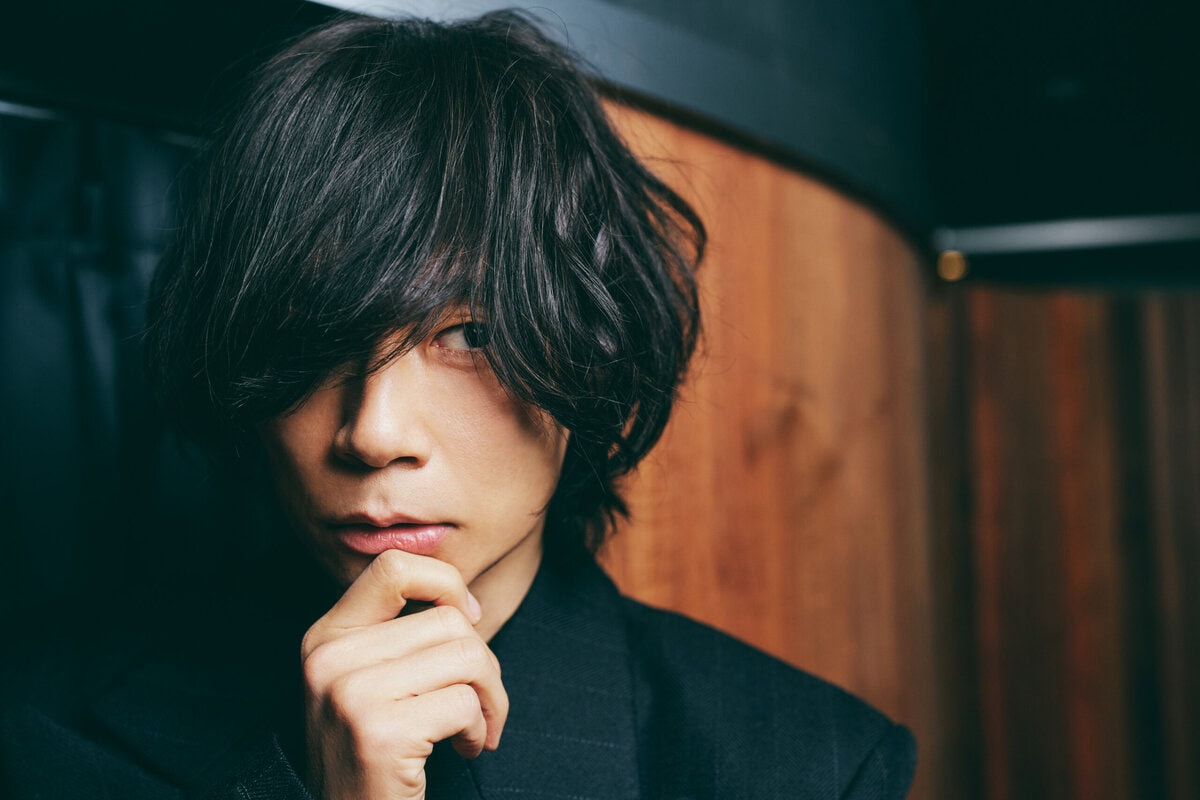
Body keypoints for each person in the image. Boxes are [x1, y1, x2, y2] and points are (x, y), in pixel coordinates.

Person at [0, 11, 915, 799]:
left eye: (470, 334)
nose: (373, 433)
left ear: (595, 350)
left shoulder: (803, 763)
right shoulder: (52, 720)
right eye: (310, 337)